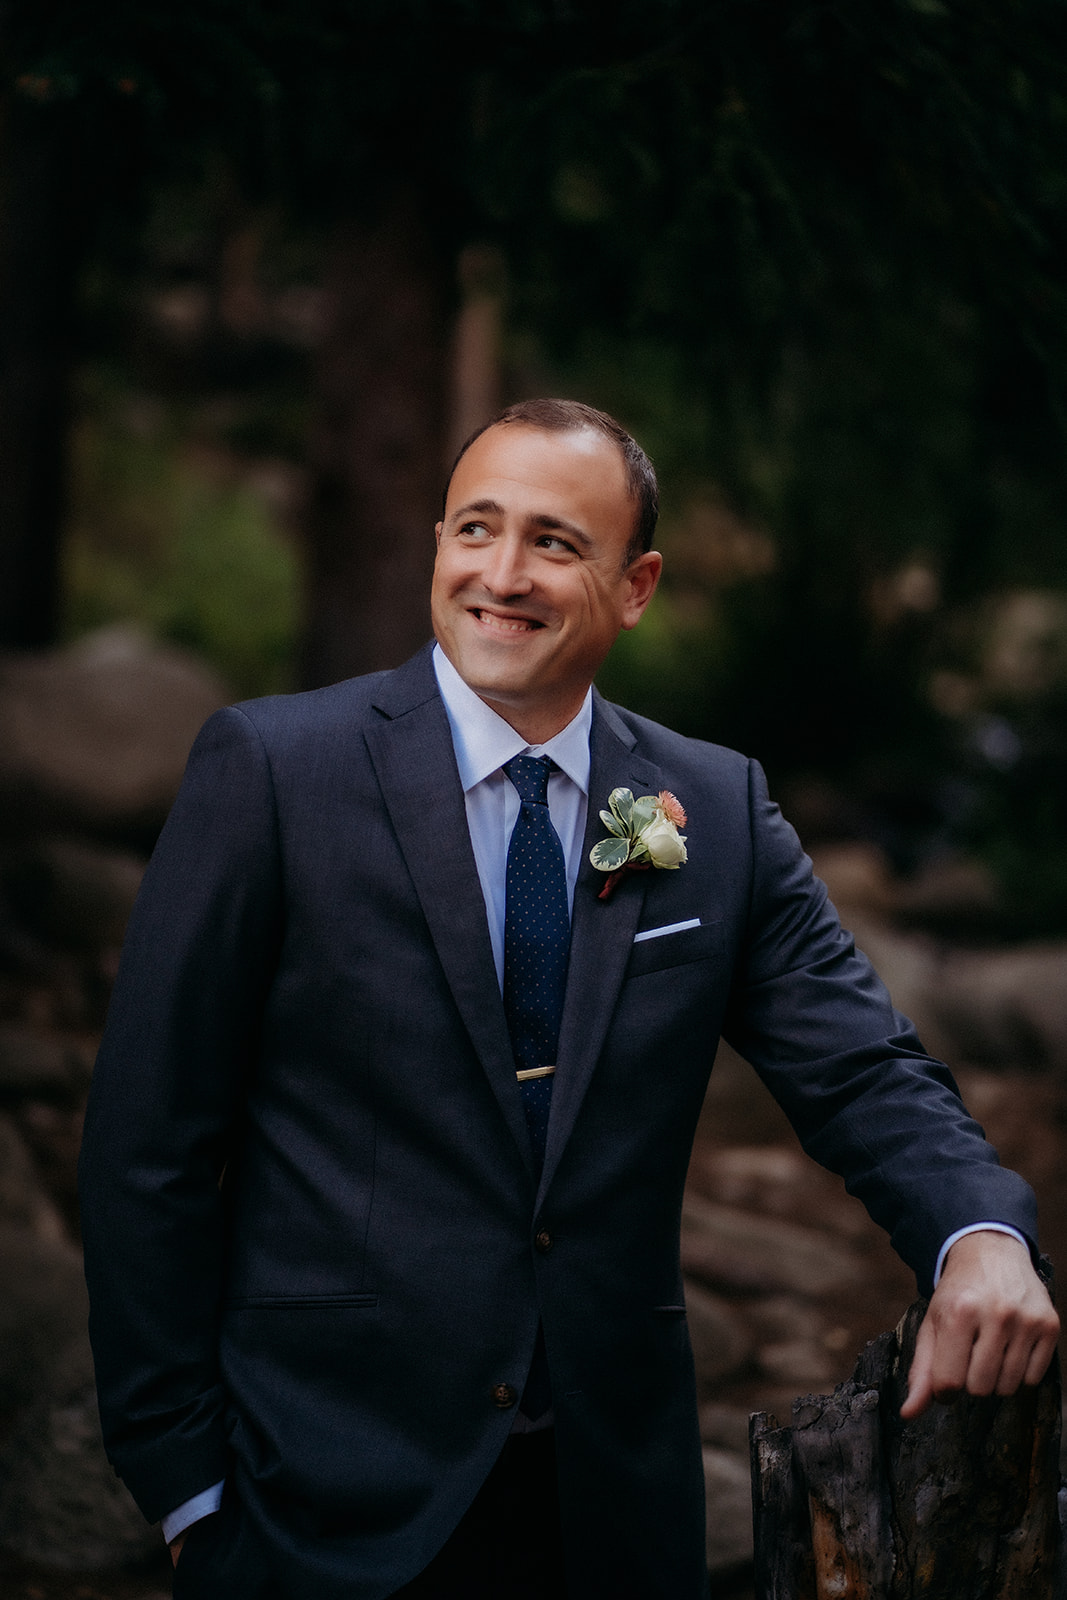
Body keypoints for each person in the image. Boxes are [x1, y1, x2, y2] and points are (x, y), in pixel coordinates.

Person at [79, 399, 1058, 1600]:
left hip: (609, 1506)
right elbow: (147, 1147)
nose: (501, 573)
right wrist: (185, 1488)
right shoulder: (275, 772)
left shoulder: (716, 808)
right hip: (314, 1495)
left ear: (635, 584)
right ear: (436, 544)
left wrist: (976, 1235)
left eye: (552, 541)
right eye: (475, 529)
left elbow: (858, 1064)